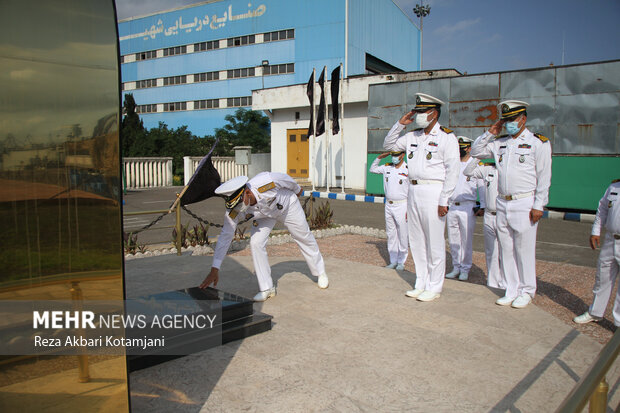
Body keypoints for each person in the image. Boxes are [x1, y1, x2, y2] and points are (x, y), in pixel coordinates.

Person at [471, 100, 552, 308]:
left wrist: (539, 204)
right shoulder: (499, 143)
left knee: (524, 249)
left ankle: (527, 290)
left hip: (524, 201)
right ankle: (511, 288)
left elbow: (544, 176)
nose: (508, 124)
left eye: (512, 119)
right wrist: (490, 132)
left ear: (523, 119)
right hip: (501, 203)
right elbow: (475, 151)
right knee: (506, 248)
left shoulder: (538, 142)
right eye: (505, 120)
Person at [199, 172, 329, 301]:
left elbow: (284, 179)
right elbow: (225, 236)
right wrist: (215, 268)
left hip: (287, 206)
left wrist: (297, 189)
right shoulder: (234, 209)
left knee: (303, 236)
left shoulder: (266, 182)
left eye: (240, 203)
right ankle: (267, 288)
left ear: (248, 193)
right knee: (256, 243)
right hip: (264, 216)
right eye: (235, 206)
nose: (239, 208)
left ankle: (320, 272)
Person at [383, 93, 460, 302]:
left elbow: (453, 170)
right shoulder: (412, 136)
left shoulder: (447, 137)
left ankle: (434, 286)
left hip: (434, 192)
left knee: (434, 242)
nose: (417, 116)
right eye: (416, 112)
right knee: (416, 241)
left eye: (421, 112)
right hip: (413, 191)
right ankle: (421, 282)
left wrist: (445, 199)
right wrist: (400, 124)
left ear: (433, 113)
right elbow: (389, 146)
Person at [574, 179, 620, 325]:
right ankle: (595, 312)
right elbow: (603, 209)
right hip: (610, 239)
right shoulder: (614, 187)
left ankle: (618, 323)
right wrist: (595, 231)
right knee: (602, 277)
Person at [445, 136, 486, 282]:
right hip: (452, 206)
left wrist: (482, 205)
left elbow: (481, 186)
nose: (459, 150)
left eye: (461, 147)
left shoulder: (475, 164)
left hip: (467, 207)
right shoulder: (452, 164)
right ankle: (456, 267)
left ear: (468, 148)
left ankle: (465, 268)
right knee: (453, 239)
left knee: (466, 240)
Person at [463, 158, 505, 290]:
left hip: (503, 214)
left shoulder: (511, 170)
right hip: (489, 214)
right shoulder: (488, 169)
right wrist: (477, 157)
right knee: (491, 251)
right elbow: (468, 171)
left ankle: (506, 283)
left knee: (506, 251)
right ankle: (492, 282)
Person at [370, 151, 409, 270]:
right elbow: (372, 169)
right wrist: (379, 157)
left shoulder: (408, 169)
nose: (394, 157)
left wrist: (410, 209)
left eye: (396, 155)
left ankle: (401, 261)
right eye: (392, 154)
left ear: (402, 155)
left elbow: (412, 190)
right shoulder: (387, 167)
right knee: (391, 233)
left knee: (402, 233)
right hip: (389, 204)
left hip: (402, 204)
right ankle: (393, 261)